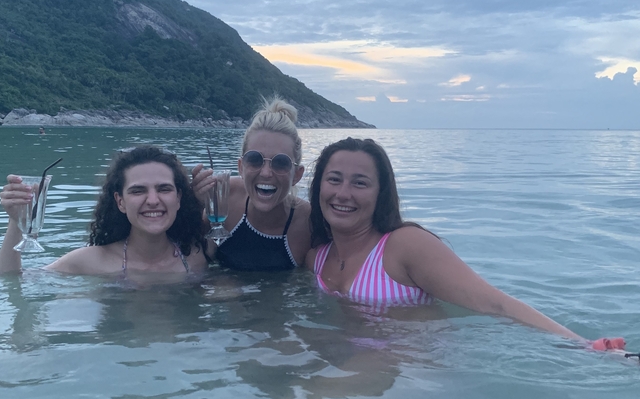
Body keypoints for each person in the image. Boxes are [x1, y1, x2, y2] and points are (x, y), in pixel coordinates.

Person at [306, 137, 626, 347]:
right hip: (355, 364)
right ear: (318, 185)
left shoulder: (404, 246)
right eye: (334, 179)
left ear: (380, 194)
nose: (343, 193)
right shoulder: (316, 260)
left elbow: (494, 303)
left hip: (415, 370)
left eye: (360, 183)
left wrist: (583, 347)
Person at [0, 146, 211, 278]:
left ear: (179, 198)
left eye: (164, 189)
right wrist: (16, 222)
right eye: (138, 191)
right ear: (120, 202)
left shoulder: (195, 257)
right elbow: (11, 281)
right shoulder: (91, 261)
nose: (153, 200)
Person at [191, 97, 312, 270]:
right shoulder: (225, 196)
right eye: (255, 159)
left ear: (297, 175)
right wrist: (193, 204)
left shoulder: (308, 223)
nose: (266, 173)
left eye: (281, 163)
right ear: (241, 167)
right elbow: (190, 260)